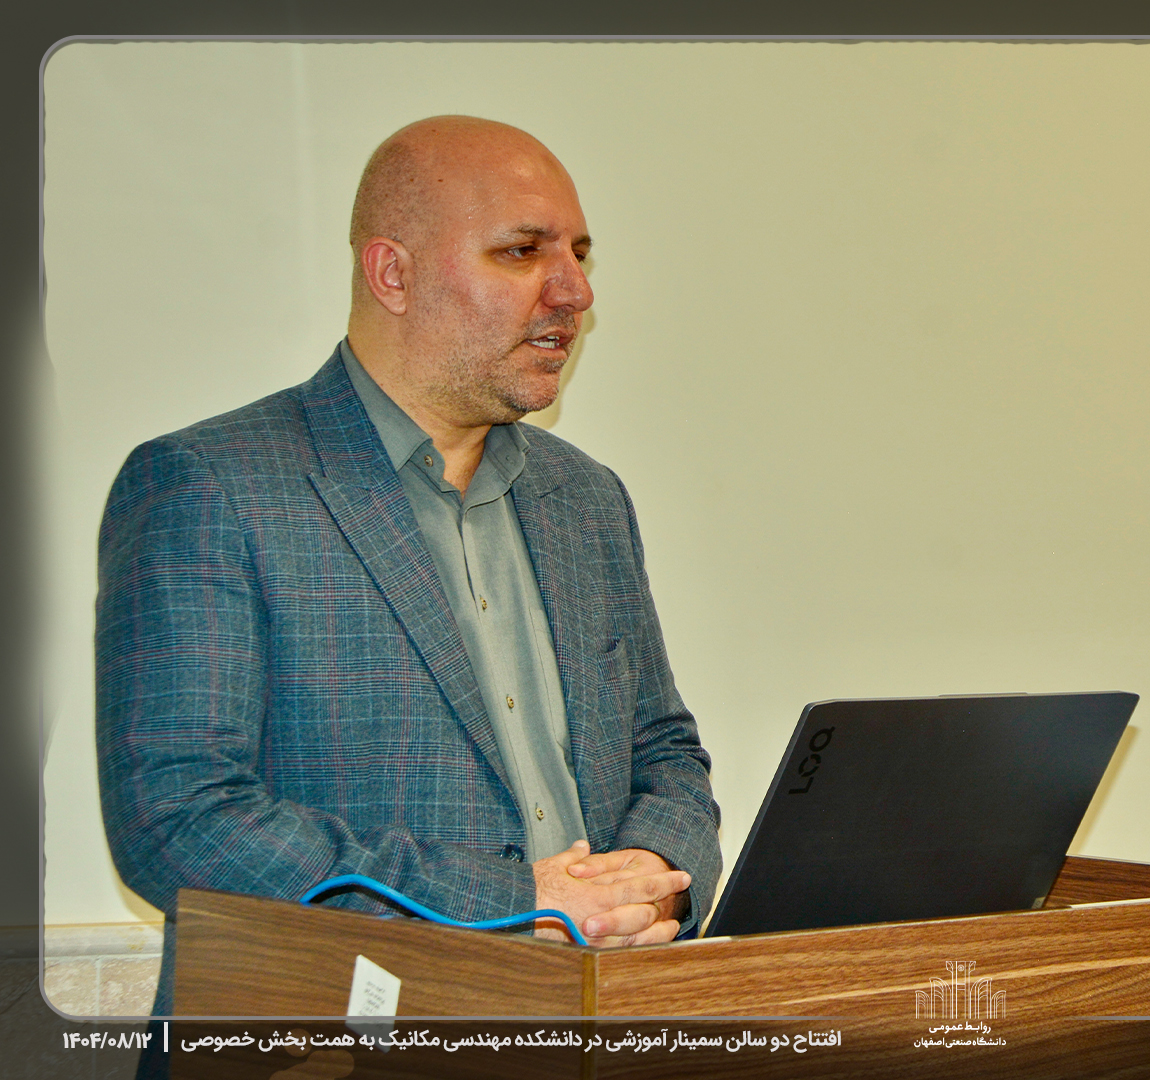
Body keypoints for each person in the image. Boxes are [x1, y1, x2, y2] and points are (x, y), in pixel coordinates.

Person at [95, 116, 721, 1016]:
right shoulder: (212, 485)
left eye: (579, 254)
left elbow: (665, 750)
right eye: (522, 252)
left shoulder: (586, 499)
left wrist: (656, 878)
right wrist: (519, 904)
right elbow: (181, 821)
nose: (575, 292)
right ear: (392, 273)